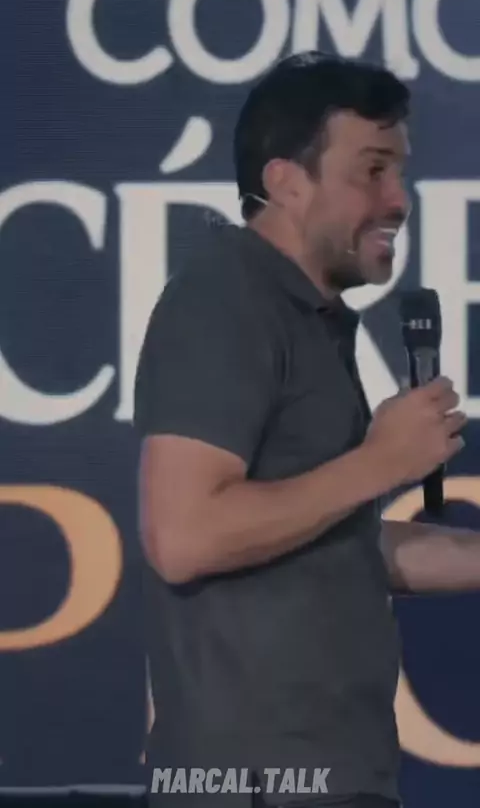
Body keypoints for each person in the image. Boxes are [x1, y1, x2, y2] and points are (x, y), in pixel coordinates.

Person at [134, 53, 478, 808]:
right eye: (373, 170)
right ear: (287, 181)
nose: (399, 199)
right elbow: (185, 536)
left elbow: (334, 541)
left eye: (401, 172)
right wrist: (382, 461)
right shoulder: (223, 298)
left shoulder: (311, 319)